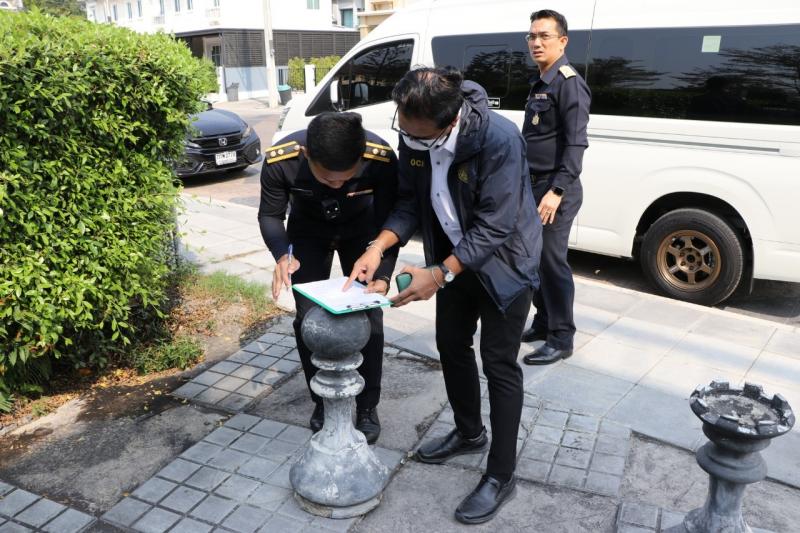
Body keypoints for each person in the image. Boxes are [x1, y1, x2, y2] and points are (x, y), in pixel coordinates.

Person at [346, 67, 542, 524]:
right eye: (404, 130)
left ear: (450, 122)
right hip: (453, 258)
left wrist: (437, 275)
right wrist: (378, 247)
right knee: (451, 346)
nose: (409, 140)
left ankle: (501, 474)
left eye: (418, 135)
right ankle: (469, 433)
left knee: (498, 364)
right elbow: (409, 202)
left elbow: (496, 224)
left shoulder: (498, 139)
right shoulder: (415, 134)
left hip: (506, 264)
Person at [258, 112, 398, 444]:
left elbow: (391, 220)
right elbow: (270, 215)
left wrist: (383, 274)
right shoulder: (282, 160)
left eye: (345, 179)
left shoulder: (379, 158)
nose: (336, 185)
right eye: (327, 179)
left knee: (369, 315)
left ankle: (367, 405)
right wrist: (282, 255)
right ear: (308, 155)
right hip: (307, 234)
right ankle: (321, 399)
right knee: (308, 319)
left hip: (363, 233)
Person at [520, 9, 591, 365]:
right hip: (534, 185)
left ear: (562, 41)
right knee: (535, 260)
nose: (536, 42)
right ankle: (544, 321)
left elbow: (576, 144)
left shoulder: (568, 83)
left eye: (544, 36)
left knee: (552, 261)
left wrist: (556, 191)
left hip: (555, 189)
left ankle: (562, 337)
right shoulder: (541, 82)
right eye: (532, 36)